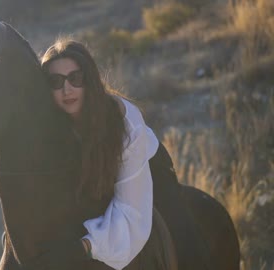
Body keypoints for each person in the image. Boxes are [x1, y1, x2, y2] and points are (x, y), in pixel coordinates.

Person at [34, 39, 212, 270]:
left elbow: (131, 212)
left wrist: (86, 246)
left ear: (88, 80)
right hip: (93, 177)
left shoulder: (125, 123)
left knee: (184, 239)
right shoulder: (49, 123)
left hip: (145, 168)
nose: (67, 89)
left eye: (75, 79)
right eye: (56, 82)